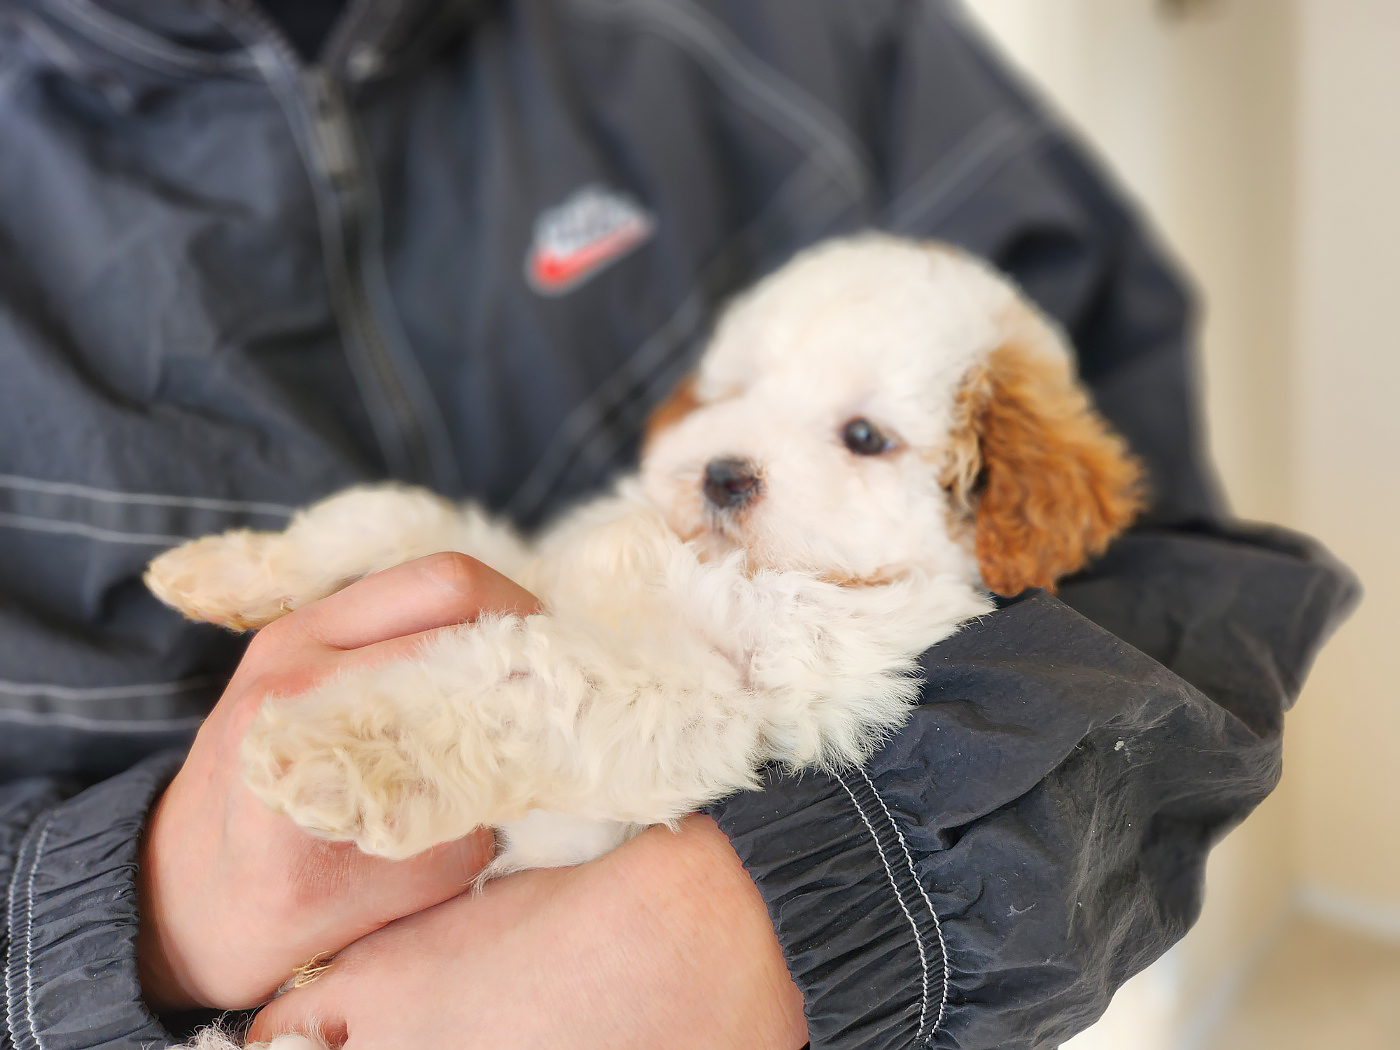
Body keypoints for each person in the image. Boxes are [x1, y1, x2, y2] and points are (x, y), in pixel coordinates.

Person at [0, 1, 1357, 1048]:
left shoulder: (808, 46)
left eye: (864, 438)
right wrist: (133, 920)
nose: (731, 451)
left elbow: (1181, 600)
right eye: (736, 391)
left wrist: (769, 924)